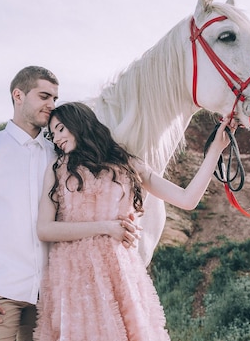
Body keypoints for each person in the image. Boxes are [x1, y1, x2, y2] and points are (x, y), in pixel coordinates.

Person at [34, 102, 236, 341]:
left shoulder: (125, 163)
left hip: (119, 271)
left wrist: (215, 150)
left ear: (79, 123)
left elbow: (187, 199)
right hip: (75, 275)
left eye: (60, 129)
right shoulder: (57, 170)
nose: (56, 138)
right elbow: (45, 229)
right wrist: (106, 227)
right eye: (52, 133)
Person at [0, 66, 93, 341]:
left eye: (55, 99)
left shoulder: (59, 156)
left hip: (49, 298)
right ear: (18, 95)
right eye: (44, 96)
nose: (52, 105)